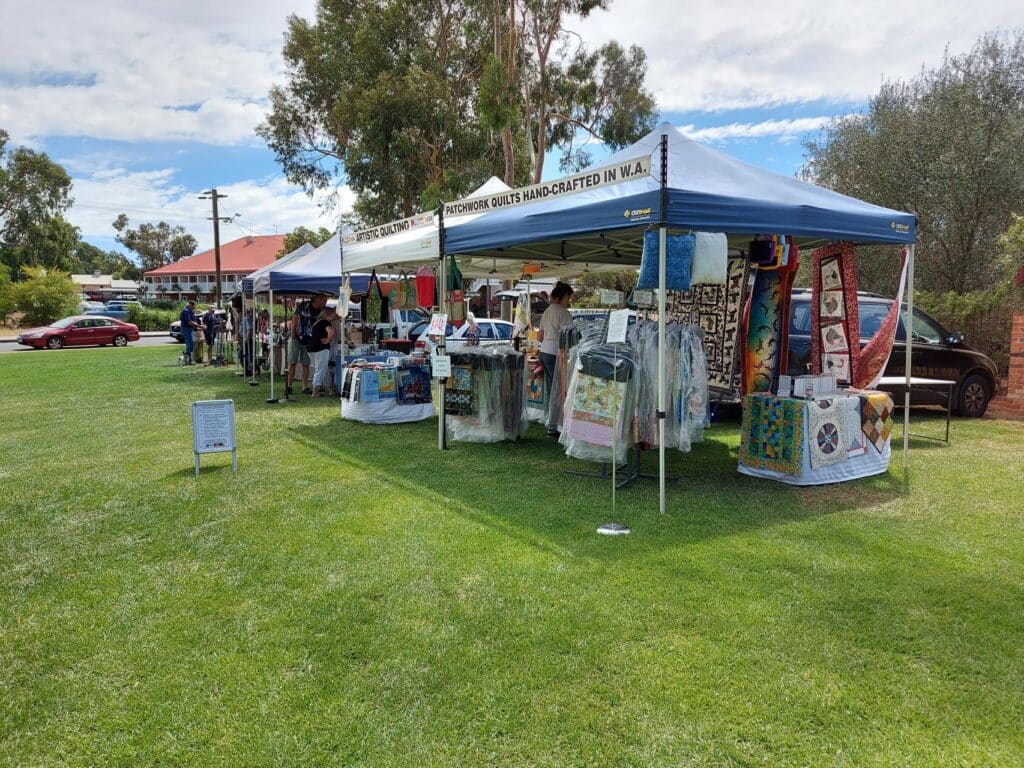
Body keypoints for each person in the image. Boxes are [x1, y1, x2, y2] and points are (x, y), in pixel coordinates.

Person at [537, 281, 574, 437]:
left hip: (544, 351)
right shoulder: (563, 313)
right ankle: (553, 425)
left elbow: (540, 335)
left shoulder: (547, 311)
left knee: (550, 388)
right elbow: (570, 336)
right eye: (568, 297)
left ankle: (550, 420)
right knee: (557, 389)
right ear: (563, 296)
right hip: (556, 353)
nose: (568, 301)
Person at [287, 293, 328, 395]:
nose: (325, 302)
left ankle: (304, 387)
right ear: (317, 299)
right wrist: (292, 336)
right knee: (292, 362)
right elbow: (295, 319)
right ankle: (289, 386)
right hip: (296, 338)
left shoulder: (321, 311)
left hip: (309, 340)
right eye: (324, 300)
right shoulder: (303, 305)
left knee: (305, 364)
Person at [307, 306, 337, 398]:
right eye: (333, 314)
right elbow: (331, 332)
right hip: (321, 348)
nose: (334, 316)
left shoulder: (316, 322)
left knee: (318, 369)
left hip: (311, 348)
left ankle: (317, 388)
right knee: (320, 370)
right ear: (328, 314)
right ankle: (315, 391)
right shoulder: (326, 322)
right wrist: (328, 340)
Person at [179, 300, 201, 365]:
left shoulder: (189, 311)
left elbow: (192, 320)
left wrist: (197, 326)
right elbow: (189, 322)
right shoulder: (186, 311)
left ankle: (187, 359)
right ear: (190, 305)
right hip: (187, 329)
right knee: (190, 345)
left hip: (189, 329)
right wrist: (199, 326)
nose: (194, 307)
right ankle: (188, 360)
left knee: (190, 345)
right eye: (194, 306)